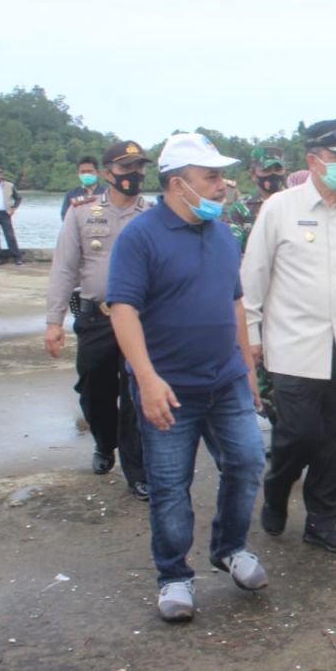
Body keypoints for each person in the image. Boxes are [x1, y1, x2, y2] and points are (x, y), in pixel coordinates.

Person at [107, 133, 268, 622]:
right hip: (169, 389)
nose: (222, 186)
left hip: (226, 382)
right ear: (178, 184)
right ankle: (174, 576)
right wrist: (147, 378)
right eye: (211, 177)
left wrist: (248, 366)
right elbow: (122, 309)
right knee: (170, 487)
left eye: (221, 176)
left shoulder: (222, 234)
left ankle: (230, 547)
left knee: (247, 462)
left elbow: (235, 303)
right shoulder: (140, 235)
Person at [241, 118, 336, 556]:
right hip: (293, 347)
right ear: (313, 160)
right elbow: (253, 275)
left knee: (333, 440)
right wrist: (251, 333)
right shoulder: (280, 209)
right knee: (298, 435)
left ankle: (322, 522)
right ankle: (276, 488)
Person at [45, 140, 152, 499]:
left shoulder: (151, 215)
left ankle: (137, 472)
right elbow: (64, 268)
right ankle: (104, 444)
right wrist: (53, 321)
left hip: (140, 320)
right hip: (97, 318)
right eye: (126, 169)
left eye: (138, 168)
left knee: (135, 395)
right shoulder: (81, 213)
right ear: (108, 173)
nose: (133, 176)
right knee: (94, 390)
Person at [227, 146, 287, 251]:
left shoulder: (297, 203)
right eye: (266, 170)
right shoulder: (241, 209)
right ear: (253, 174)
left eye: (278, 169)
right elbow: (232, 250)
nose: (273, 174)